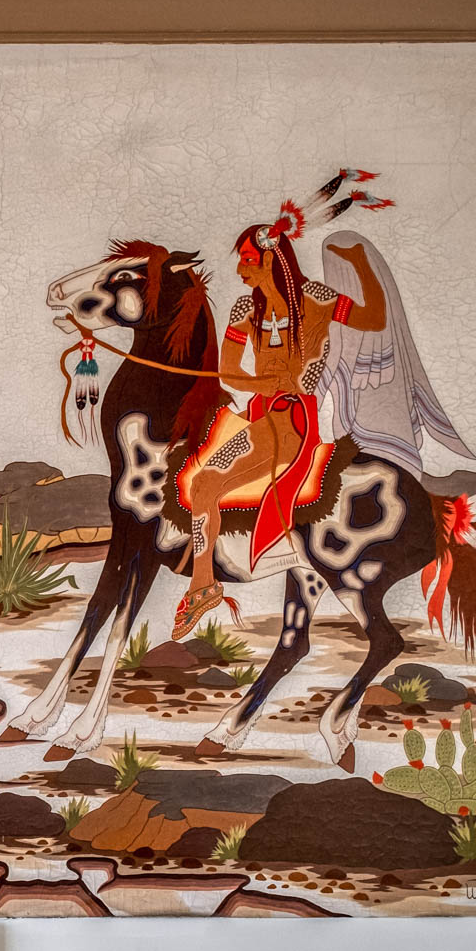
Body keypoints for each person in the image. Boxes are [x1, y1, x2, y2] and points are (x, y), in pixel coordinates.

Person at [174, 173, 391, 639]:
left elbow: (374, 318)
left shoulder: (315, 300)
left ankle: (202, 585)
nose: (241, 270)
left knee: (207, 482)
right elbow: (227, 374)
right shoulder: (244, 311)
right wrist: (259, 381)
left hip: (293, 422)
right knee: (202, 483)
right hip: (258, 416)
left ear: (272, 258)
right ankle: (204, 583)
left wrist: (360, 262)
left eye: (248, 260)